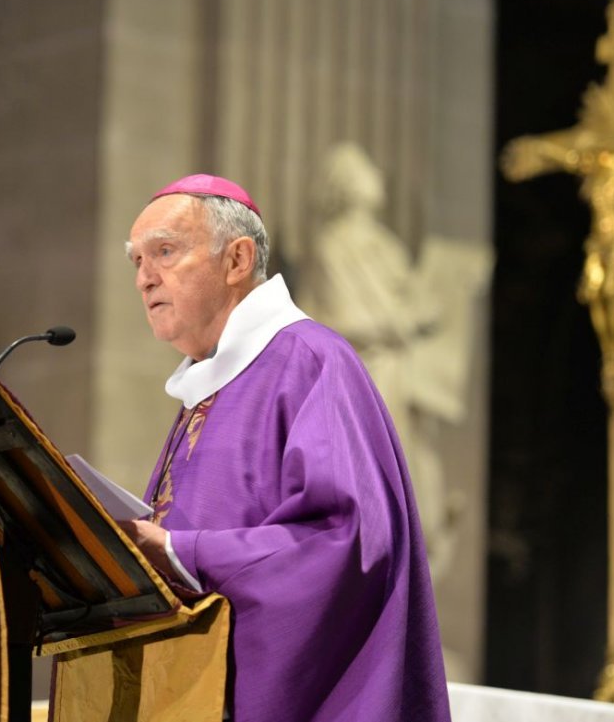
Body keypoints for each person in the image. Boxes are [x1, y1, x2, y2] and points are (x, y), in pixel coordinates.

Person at [119, 173, 451, 721]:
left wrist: (183, 551)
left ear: (237, 259)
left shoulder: (309, 361)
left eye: (165, 252)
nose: (145, 278)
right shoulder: (209, 386)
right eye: (137, 261)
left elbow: (347, 544)